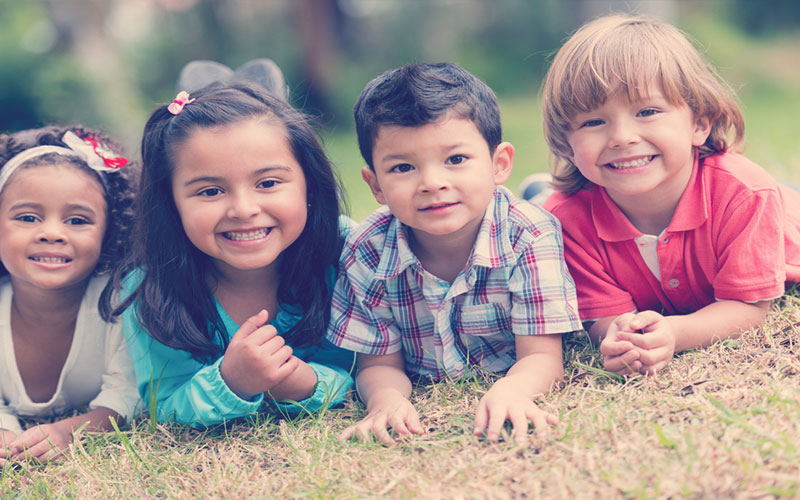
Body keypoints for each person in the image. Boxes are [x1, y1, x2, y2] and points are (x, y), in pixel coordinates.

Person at [326, 62, 582, 444]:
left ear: (499, 164)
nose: (433, 183)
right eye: (403, 167)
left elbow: (542, 356)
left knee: (543, 206)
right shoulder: (367, 250)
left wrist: (514, 388)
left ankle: (539, 191)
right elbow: (378, 363)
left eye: (456, 160)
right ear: (375, 185)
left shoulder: (528, 234)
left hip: (525, 228)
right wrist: (386, 398)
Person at [539, 14, 800, 375]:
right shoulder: (563, 222)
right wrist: (621, 336)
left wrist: (675, 332)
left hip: (785, 218)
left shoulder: (747, 195)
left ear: (699, 124)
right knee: (544, 204)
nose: (621, 137)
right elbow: (604, 316)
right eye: (593, 122)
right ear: (565, 144)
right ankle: (539, 186)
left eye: (647, 112)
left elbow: (747, 308)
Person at [108, 82, 354, 428]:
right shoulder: (153, 287)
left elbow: (371, 364)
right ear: (171, 205)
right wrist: (231, 382)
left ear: (309, 186)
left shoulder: (346, 251)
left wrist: (304, 384)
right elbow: (163, 405)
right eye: (211, 191)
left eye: (268, 183)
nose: (243, 209)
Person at [0, 125, 141, 464]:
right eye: (28, 217)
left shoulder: (120, 304)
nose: (52, 233)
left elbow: (127, 395)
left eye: (77, 220)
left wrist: (70, 431)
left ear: (109, 232)